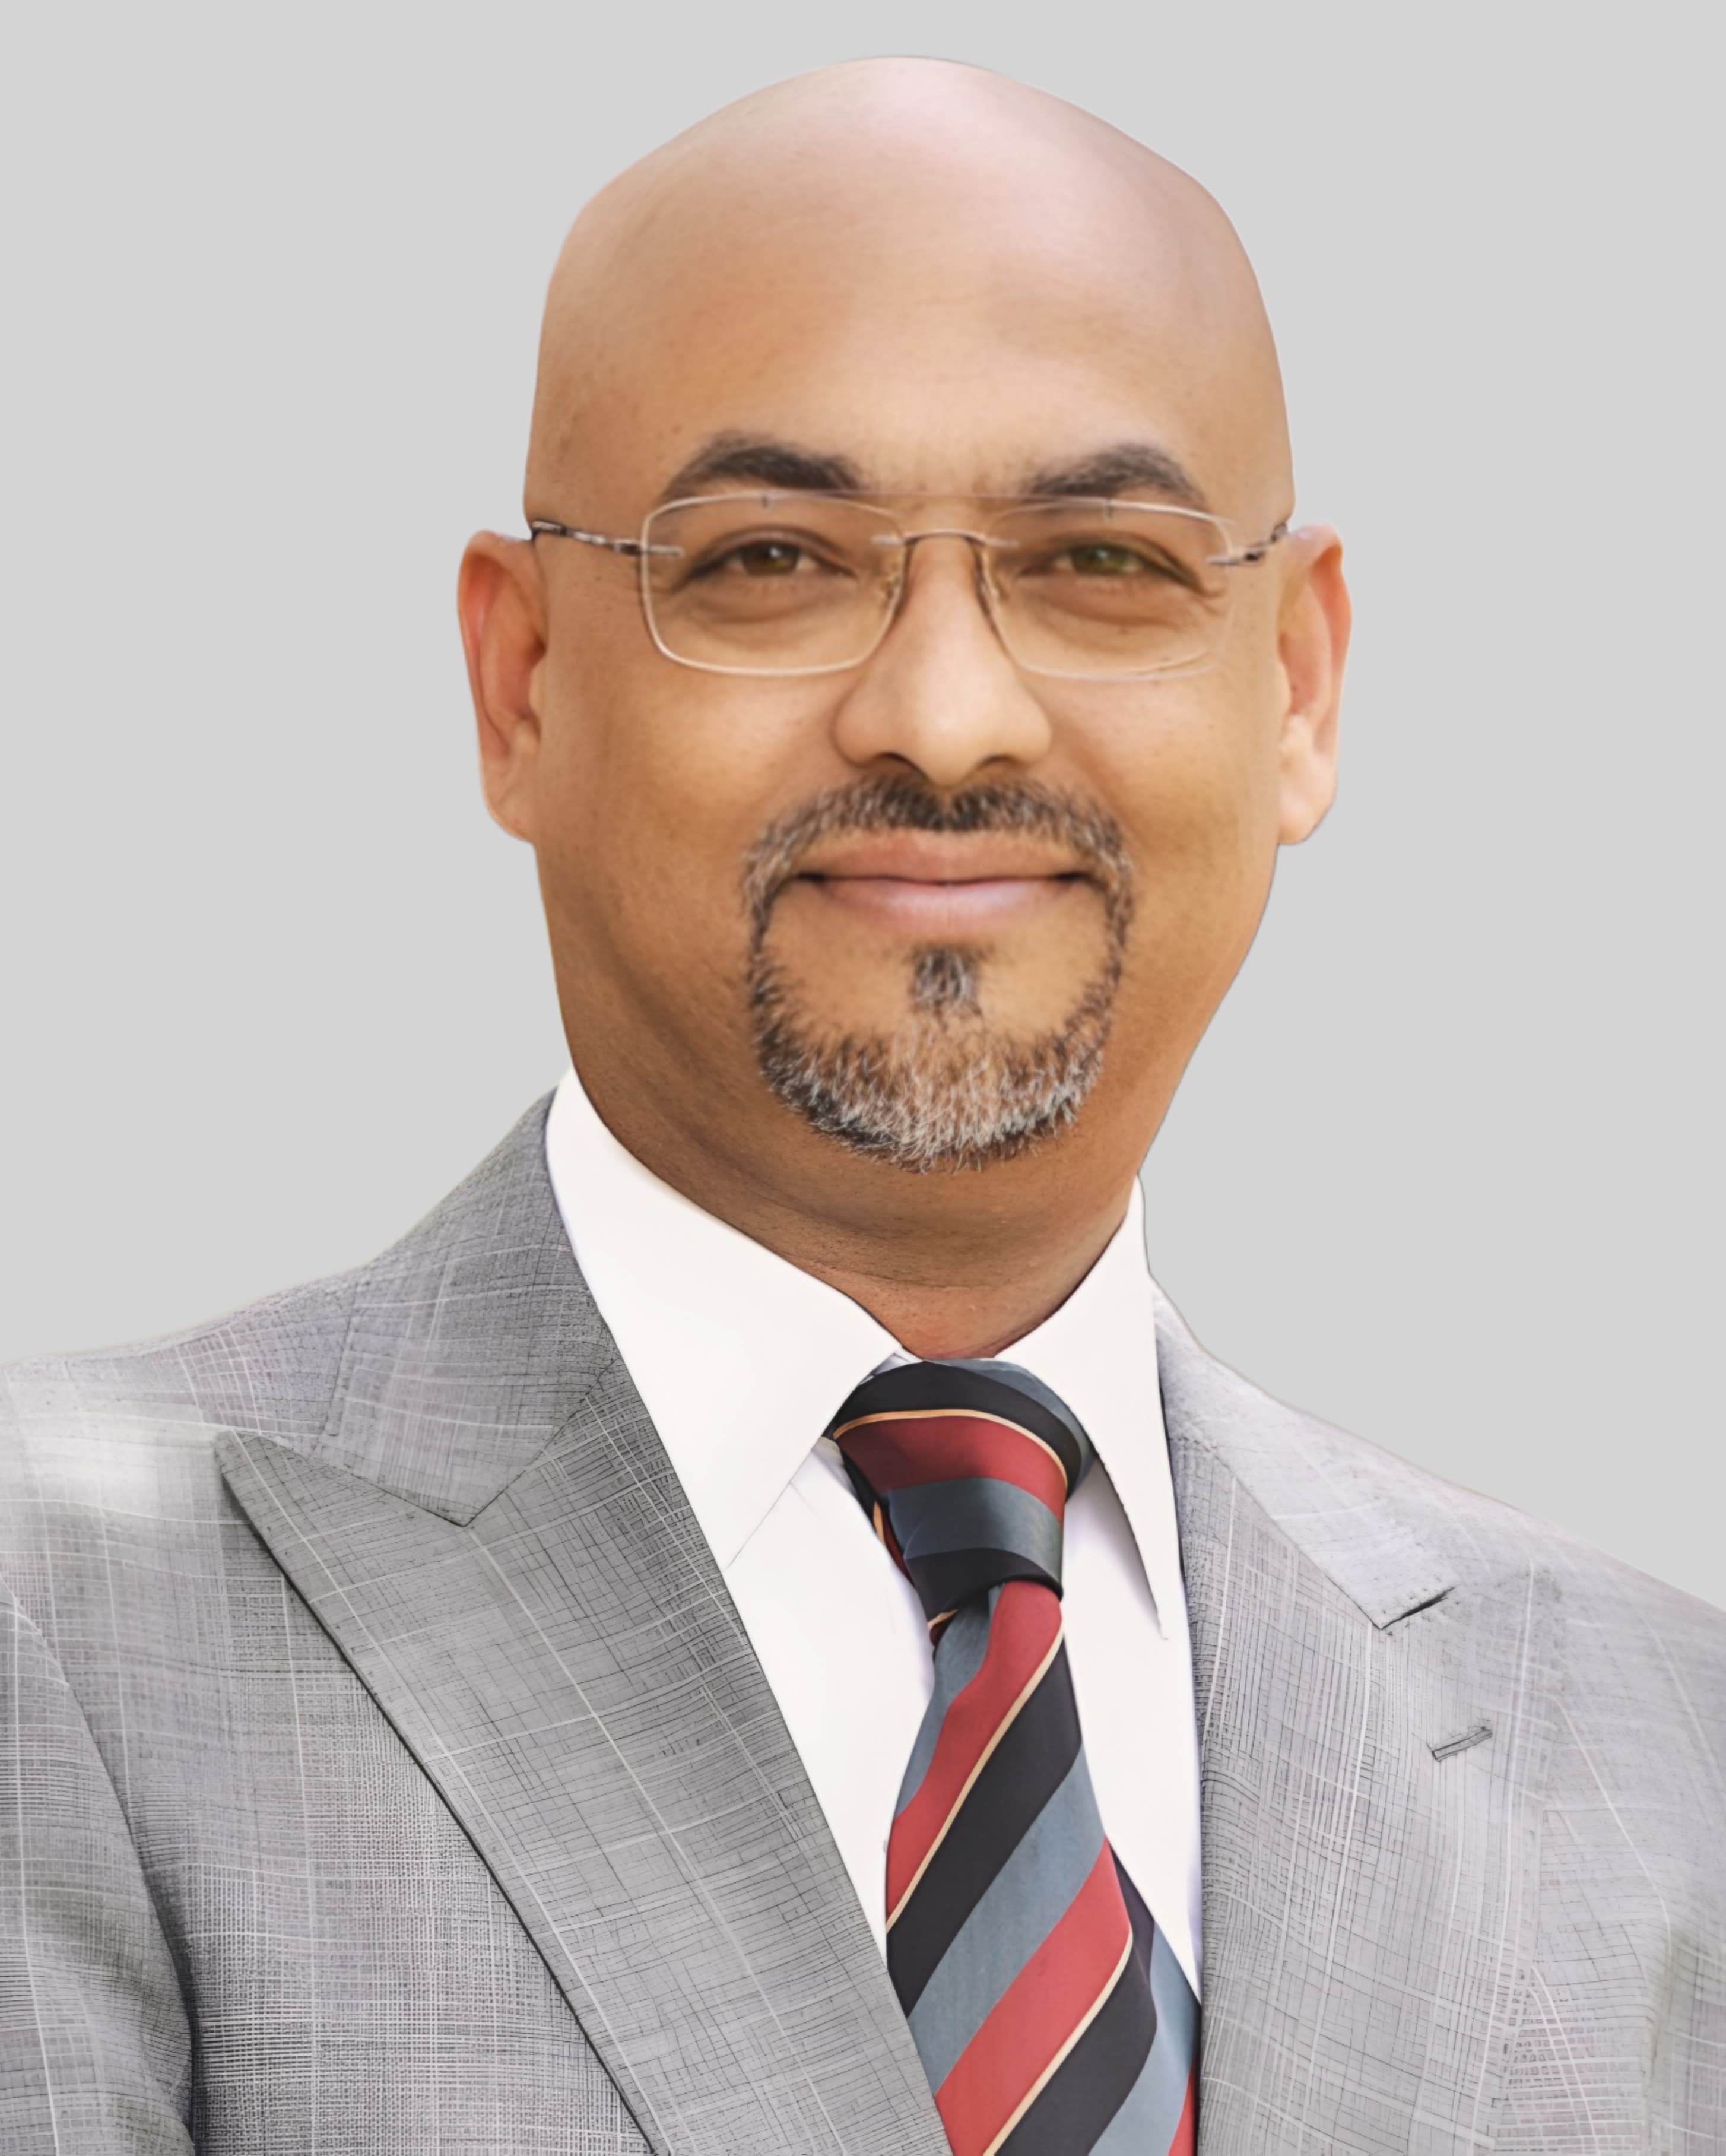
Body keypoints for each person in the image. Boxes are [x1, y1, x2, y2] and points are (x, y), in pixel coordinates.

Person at [1, 55, 1720, 2156]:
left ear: (1294, 686)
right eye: (770, 561)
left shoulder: (1662, 1748)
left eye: (1099, 561)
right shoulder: (57, 1623)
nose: (945, 715)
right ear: (520, 682)